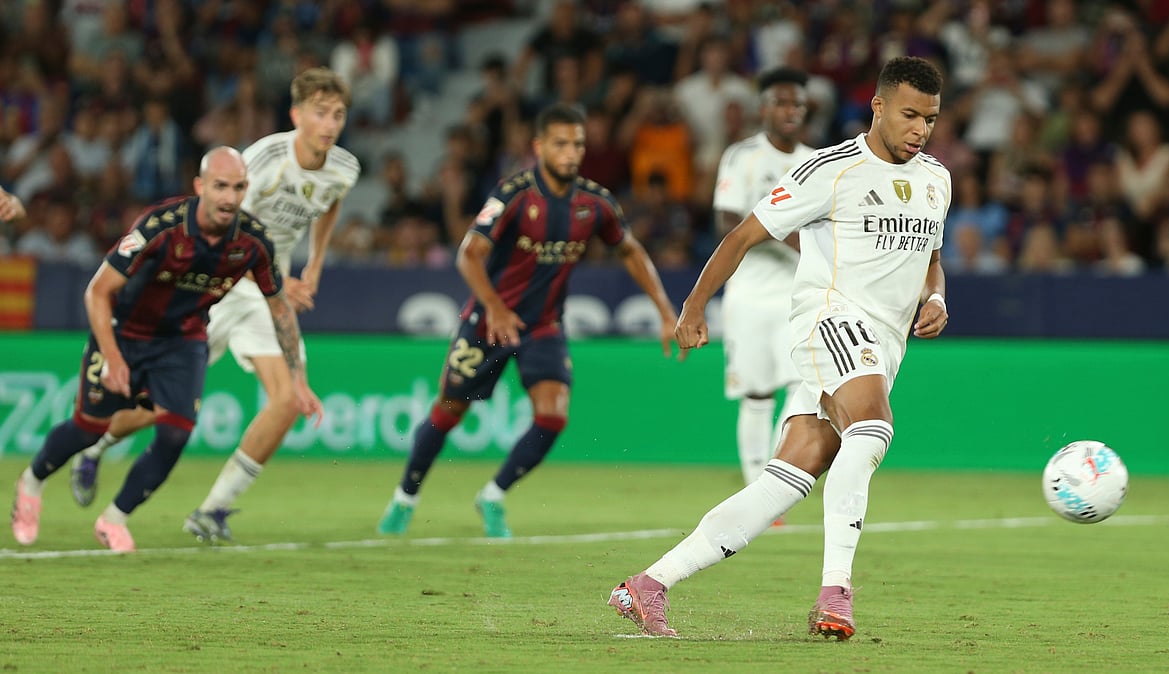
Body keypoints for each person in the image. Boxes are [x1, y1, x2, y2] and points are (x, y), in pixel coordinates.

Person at [606, 56, 952, 640]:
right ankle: (835, 595)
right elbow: (742, 234)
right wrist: (692, 308)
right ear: (879, 107)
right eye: (910, 114)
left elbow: (933, 263)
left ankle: (648, 584)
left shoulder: (936, 179)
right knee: (872, 429)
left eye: (931, 118)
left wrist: (938, 299)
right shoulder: (831, 170)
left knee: (787, 479)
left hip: (884, 346)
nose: (921, 129)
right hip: (830, 320)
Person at [68, 67, 360, 544]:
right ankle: (95, 447)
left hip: (267, 289)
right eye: (320, 113)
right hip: (219, 281)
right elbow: (221, 232)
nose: (330, 124)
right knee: (153, 408)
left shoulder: (345, 167)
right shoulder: (264, 159)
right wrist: (281, 281)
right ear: (296, 115)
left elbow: (330, 201)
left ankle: (212, 510)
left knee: (287, 401)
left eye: (338, 115)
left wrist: (316, 264)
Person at [377, 103, 681, 538]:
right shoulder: (515, 193)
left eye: (577, 143)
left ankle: (493, 496)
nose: (571, 152)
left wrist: (666, 310)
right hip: (488, 321)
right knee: (448, 411)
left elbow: (630, 249)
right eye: (560, 143)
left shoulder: (595, 203)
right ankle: (405, 497)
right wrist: (496, 307)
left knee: (553, 417)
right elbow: (470, 253)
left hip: (543, 326)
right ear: (539, 146)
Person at [9, 146, 321, 552]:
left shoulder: (252, 242)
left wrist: (298, 379)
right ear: (200, 187)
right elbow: (97, 292)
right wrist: (114, 357)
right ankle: (31, 483)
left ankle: (114, 519)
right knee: (89, 428)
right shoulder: (160, 226)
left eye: (238, 188)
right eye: (220, 186)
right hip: (125, 332)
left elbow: (279, 308)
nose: (229, 197)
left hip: (183, 340)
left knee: (175, 434)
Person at [712, 67, 814, 488]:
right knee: (755, 395)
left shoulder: (816, 162)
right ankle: (755, 485)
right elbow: (726, 219)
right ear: (764, 108)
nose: (790, 111)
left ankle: (773, 482)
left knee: (801, 387)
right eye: (782, 102)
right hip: (750, 293)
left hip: (799, 295)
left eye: (798, 105)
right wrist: (783, 235)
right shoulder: (743, 156)